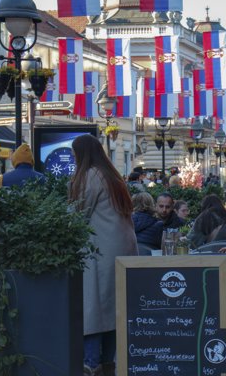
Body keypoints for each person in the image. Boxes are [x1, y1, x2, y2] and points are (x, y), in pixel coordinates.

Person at [68, 134, 138, 376]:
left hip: (101, 249)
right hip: (121, 247)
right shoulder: (112, 176)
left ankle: (91, 362)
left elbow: (78, 214)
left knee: (93, 307)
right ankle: (108, 362)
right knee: (113, 308)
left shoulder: (90, 176)